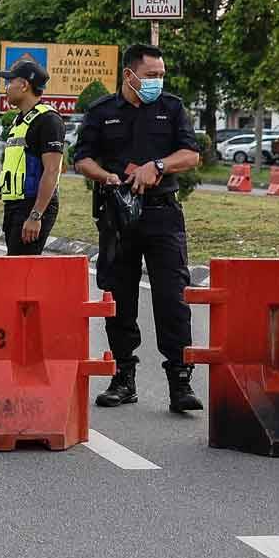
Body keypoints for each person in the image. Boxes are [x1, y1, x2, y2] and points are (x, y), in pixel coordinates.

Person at [73, 44, 202, 413]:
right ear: (129, 75)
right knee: (120, 297)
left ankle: (180, 380)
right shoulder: (102, 112)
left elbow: (191, 155)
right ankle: (123, 377)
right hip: (118, 215)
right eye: (151, 75)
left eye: (161, 75)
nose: (157, 82)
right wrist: (107, 176)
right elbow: (82, 158)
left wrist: (157, 166)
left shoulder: (171, 108)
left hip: (162, 213)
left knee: (172, 297)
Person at [0, 60, 63, 255]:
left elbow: (52, 171)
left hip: (33, 205)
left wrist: (36, 215)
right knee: (16, 269)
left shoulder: (48, 120)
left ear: (24, 85)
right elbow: (9, 176)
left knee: (19, 272)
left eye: (9, 82)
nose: (6, 88)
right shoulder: (19, 122)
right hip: (14, 206)